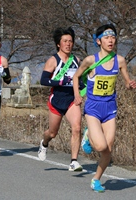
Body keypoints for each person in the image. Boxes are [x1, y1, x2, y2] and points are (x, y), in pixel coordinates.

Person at [72, 24, 136, 192]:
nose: (111, 40)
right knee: (100, 146)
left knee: (108, 149)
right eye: (107, 37)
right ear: (99, 41)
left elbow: (126, 83)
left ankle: (96, 179)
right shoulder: (90, 60)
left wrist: (130, 85)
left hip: (110, 108)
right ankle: (88, 135)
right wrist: (77, 95)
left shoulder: (120, 61)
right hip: (93, 107)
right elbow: (76, 77)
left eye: (113, 37)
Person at [37, 27, 83, 172]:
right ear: (59, 44)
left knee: (77, 127)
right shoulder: (53, 60)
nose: (68, 44)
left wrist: (81, 90)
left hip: (71, 100)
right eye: (65, 41)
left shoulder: (77, 60)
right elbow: (43, 80)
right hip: (56, 100)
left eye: (70, 41)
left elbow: (81, 81)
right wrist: (61, 82)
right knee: (52, 133)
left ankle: (74, 161)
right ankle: (44, 144)